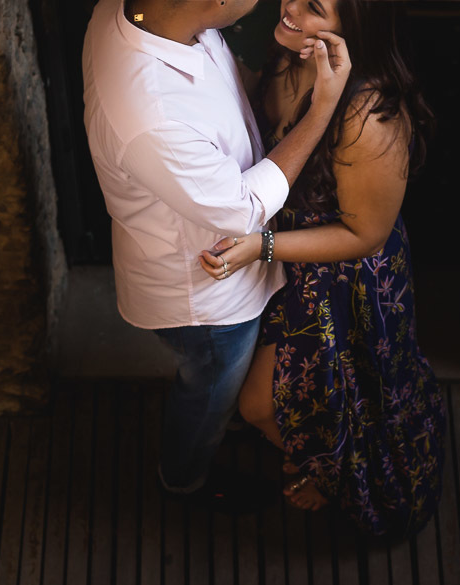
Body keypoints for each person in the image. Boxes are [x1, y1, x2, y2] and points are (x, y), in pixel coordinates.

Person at [81, 0, 351, 511]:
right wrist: (321, 109)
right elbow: (243, 208)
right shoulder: (153, 117)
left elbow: (215, 93)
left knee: (217, 389)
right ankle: (183, 481)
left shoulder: (129, 11)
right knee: (208, 394)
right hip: (205, 299)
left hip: (200, 258)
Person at [199, 0, 444, 538]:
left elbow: (366, 234)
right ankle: (312, 455)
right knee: (295, 402)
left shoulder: (369, 115)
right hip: (279, 249)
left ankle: (339, 476)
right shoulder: (289, 49)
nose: (289, 6)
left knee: (273, 403)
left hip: (342, 279)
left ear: (351, 29)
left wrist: (262, 247)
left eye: (314, 8)